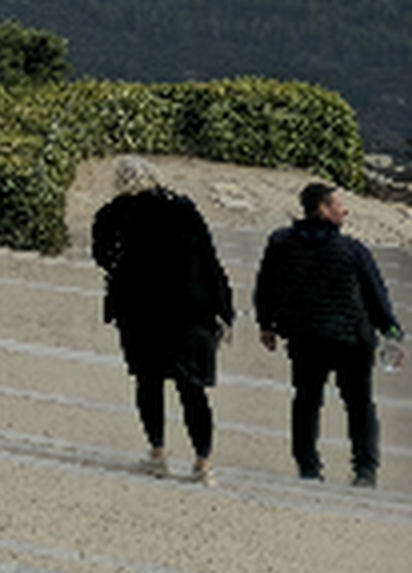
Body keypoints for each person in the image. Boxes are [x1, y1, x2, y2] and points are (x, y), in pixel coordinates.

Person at [90, 156, 235, 480]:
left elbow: (102, 257)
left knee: (148, 381)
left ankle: (157, 453)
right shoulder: (183, 209)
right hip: (190, 310)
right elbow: (210, 261)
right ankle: (203, 463)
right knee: (192, 388)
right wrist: (225, 310)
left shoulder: (113, 213)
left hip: (139, 309)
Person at [252, 179, 402, 486]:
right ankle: (365, 470)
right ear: (323, 209)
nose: (345, 210)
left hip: (305, 338)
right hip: (352, 341)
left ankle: (308, 466)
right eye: (339, 204)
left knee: (306, 402)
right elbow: (376, 295)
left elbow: (265, 287)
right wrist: (393, 333)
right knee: (360, 405)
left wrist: (266, 324)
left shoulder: (281, 243)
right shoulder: (352, 250)